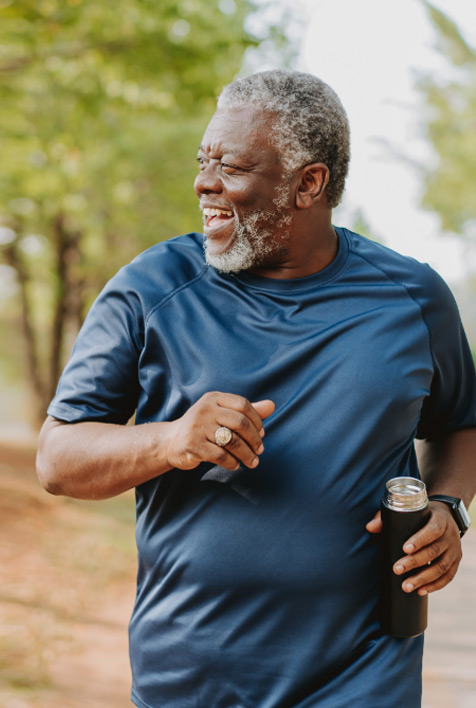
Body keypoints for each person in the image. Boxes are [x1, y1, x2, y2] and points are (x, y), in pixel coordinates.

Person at [37, 70, 476, 708]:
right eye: (203, 161)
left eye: (233, 167)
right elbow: (57, 459)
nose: (204, 184)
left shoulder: (412, 298)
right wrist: (169, 440)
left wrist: (449, 508)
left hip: (364, 677)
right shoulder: (150, 289)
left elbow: (461, 422)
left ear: (309, 183)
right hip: (190, 680)